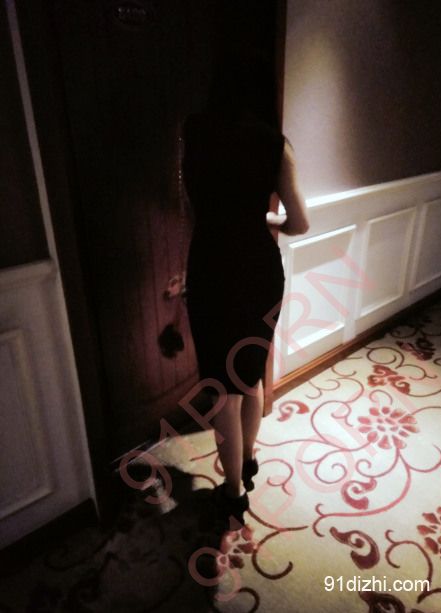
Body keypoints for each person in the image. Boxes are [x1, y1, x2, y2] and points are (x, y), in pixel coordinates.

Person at [181, 46, 309, 526]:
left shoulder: (194, 131)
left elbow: (188, 201)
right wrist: (269, 219)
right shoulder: (275, 144)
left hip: (211, 269)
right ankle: (249, 461)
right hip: (258, 272)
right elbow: (300, 222)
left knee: (223, 392)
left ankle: (233, 492)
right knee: (250, 376)